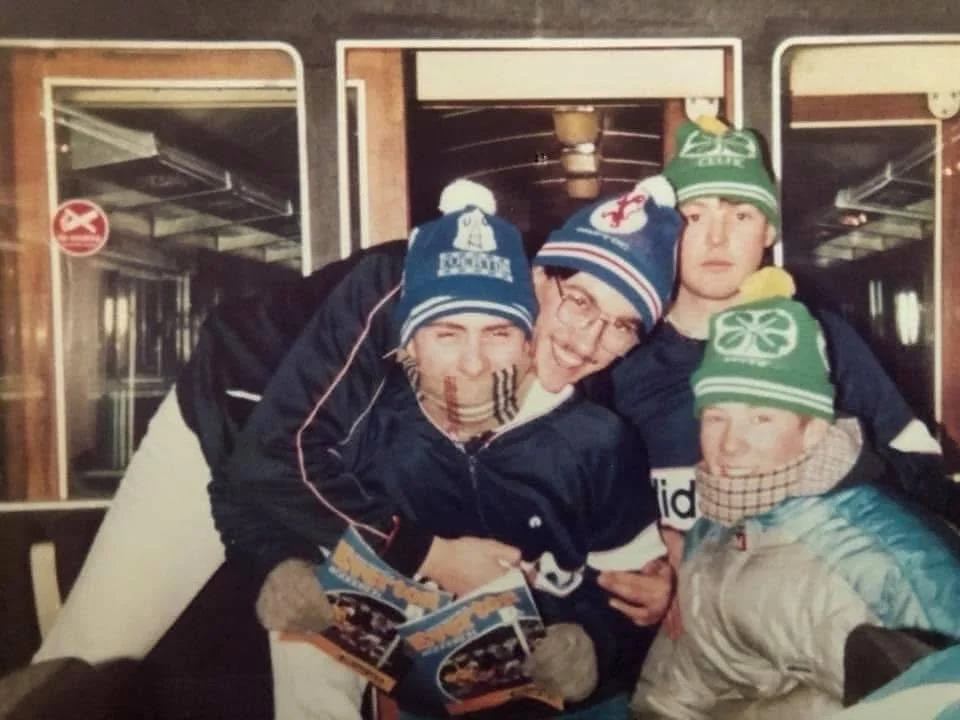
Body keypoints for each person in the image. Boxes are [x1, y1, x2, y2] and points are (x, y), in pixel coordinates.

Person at [214, 178, 683, 719]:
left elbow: (631, 594)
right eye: (579, 301)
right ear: (536, 281)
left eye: (622, 326)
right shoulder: (381, 415)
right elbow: (257, 480)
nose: (589, 339)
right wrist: (278, 563)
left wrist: (595, 643)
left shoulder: (598, 436)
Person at [594, 119, 953, 625]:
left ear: (767, 231)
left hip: (802, 619)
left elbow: (921, 477)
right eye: (694, 216)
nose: (717, 238)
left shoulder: (820, 340)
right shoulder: (617, 355)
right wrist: (646, 575)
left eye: (741, 214)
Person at [631, 279, 960, 720]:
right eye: (716, 417)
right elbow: (672, 692)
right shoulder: (717, 524)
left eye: (761, 418)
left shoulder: (887, 568)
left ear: (814, 431)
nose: (729, 446)